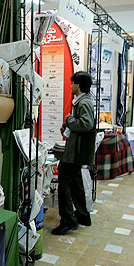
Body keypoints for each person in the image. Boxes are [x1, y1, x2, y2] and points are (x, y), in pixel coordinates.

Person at [53, 71, 96, 235]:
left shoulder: (84, 103)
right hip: (76, 151)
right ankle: (83, 216)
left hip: (75, 152)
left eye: (72, 83)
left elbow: (86, 124)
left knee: (64, 183)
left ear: (78, 85)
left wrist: (69, 120)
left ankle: (68, 221)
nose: (70, 86)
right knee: (76, 183)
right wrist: (69, 122)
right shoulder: (82, 101)